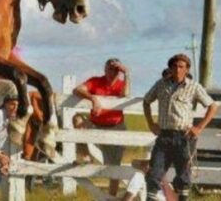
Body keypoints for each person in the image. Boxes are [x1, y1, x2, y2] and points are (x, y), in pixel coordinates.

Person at [143, 54, 218, 201]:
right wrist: (151, 123)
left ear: (187, 69)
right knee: (154, 173)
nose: (177, 69)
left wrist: (199, 127)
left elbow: (212, 106)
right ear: (170, 68)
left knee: (183, 177)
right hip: (164, 135)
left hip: (184, 136)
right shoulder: (161, 84)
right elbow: (146, 101)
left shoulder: (194, 86)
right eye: (175, 66)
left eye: (181, 66)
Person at [72, 57, 130, 196]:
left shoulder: (122, 83)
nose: (112, 71)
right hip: (95, 124)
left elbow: (125, 94)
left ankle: (111, 197)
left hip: (115, 127)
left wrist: (127, 74)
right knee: (77, 118)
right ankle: (85, 154)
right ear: (104, 69)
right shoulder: (96, 81)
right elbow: (77, 90)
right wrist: (93, 98)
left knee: (114, 167)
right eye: (110, 68)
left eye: (116, 69)